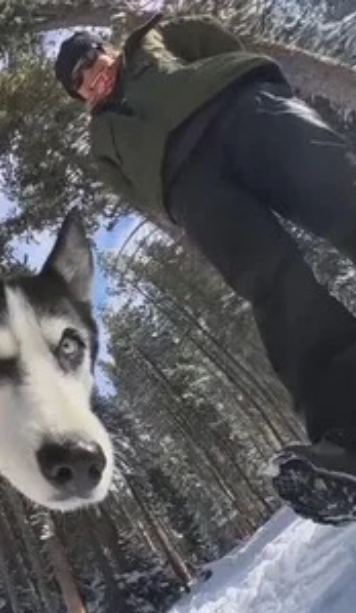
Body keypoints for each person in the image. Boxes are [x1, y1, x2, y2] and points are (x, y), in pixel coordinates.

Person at [54, 13, 356, 525]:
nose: (92, 78)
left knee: (337, 187)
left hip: (239, 110)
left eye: (91, 62)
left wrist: (235, 82)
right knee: (273, 286)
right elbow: (132, 188)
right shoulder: (102, 142)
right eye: (80, 83)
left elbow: (213, 40)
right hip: (190, 186)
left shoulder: (151, 40)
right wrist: (175, 198)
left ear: (106, 49)